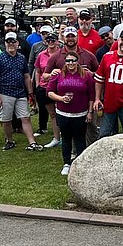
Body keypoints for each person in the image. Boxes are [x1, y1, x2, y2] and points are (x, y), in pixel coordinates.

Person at [46, 49, 95, 177]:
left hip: (81, 113)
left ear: (78, 62)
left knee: (80, 139)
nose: (70, 63)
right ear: (65, 62)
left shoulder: (86, 75)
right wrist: (61, 98)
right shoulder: (58, 75)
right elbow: (49, 92)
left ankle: (80, 163)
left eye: (73, 60)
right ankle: (66, 163)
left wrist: (90, 112)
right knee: (66, 138)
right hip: (63, 113)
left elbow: (91, 95)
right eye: (68, 61)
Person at [0, 32, 39, 151]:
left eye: (13, 41)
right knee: (6, 120)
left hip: (20, 93)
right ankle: (9, 140)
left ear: (17, 43)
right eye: (8, 42)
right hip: (5, 93)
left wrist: (30, 93)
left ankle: (32, 142)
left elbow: (26, 76)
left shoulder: (21, 58)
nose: (11, 44)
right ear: (5, 43)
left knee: (25, 118)